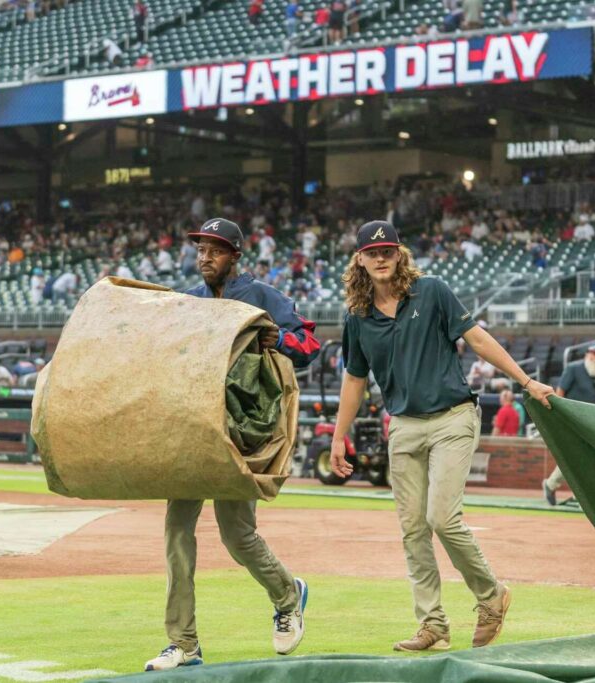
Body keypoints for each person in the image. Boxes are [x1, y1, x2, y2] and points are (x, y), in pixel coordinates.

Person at [331, 220, 555, 653]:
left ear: (400, 255)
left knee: (441, 519)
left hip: (453, 417)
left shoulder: (431, 291)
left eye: (388, 250)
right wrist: (340, 436)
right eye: (372, 252)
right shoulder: (356, 317)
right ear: (359, 259)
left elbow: (478, 340)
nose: (381, 258)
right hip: (404, 426)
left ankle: (491, 595)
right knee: (412, 529)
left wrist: (527, 382)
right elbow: (354, 379)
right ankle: (432, 624)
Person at [145, 217, 321, 672]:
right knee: (177, 532)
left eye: (216, 250)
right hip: (195, 428)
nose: (205, 257)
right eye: (201, 249)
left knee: (236, 534)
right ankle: (184, 643)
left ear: (235, 256)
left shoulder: (262, 296)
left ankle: (287, 596)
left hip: (242, 429)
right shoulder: (191, 301)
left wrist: (278, 338)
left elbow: (310, 343)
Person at [543, 343, 595, 505]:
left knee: (580, 458)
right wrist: (558, 415)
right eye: (594, 354)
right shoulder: (574, 369)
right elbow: (560, 392)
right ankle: (561, 488)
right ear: (587, 355)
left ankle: (554, 485)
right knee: (574, 456)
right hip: (571, 420)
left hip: (591, 423)